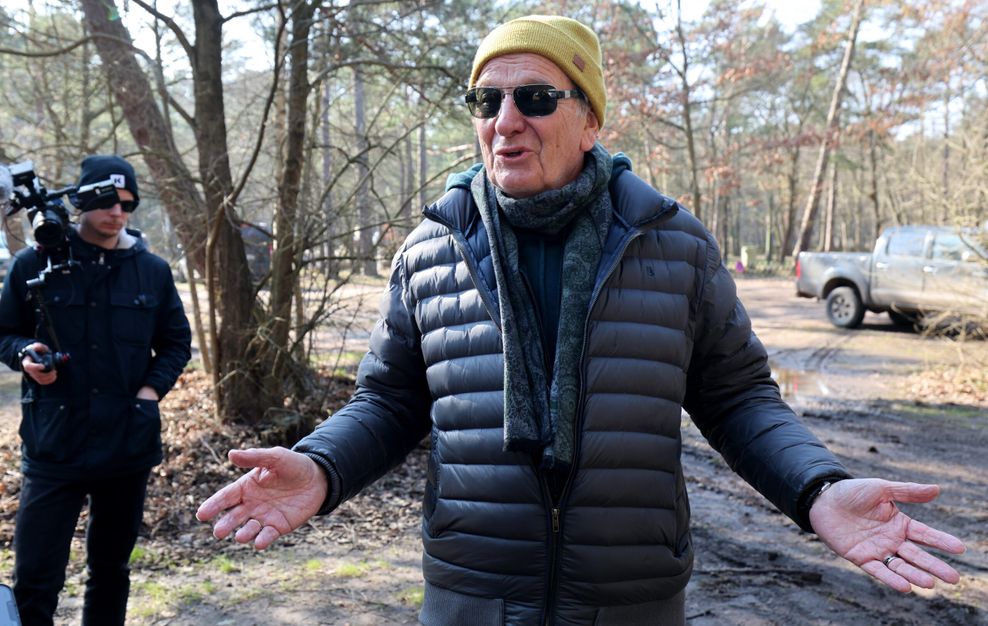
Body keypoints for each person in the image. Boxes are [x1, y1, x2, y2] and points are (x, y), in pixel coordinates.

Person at [196, 15, 965, 625]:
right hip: (473, 594)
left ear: (589, 121)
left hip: (629, 597)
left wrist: (816, 487)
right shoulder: (431, 249)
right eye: (486, 99)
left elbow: (738, 399)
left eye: (535, 97)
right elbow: (391, 402)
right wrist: (323, 467)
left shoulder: (673, 243)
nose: (506, 119)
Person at [0, 155, 192, 626]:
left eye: (128, 204)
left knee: (110, 572)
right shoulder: (32, 263)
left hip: (126, 445)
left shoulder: (152, 270)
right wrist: (26, 354)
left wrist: (150, 391)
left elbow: (176, 343)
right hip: (53, 446)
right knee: (36, 579)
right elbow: (3, 334)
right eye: (107, 201)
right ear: (82, 201)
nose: (118, 213)